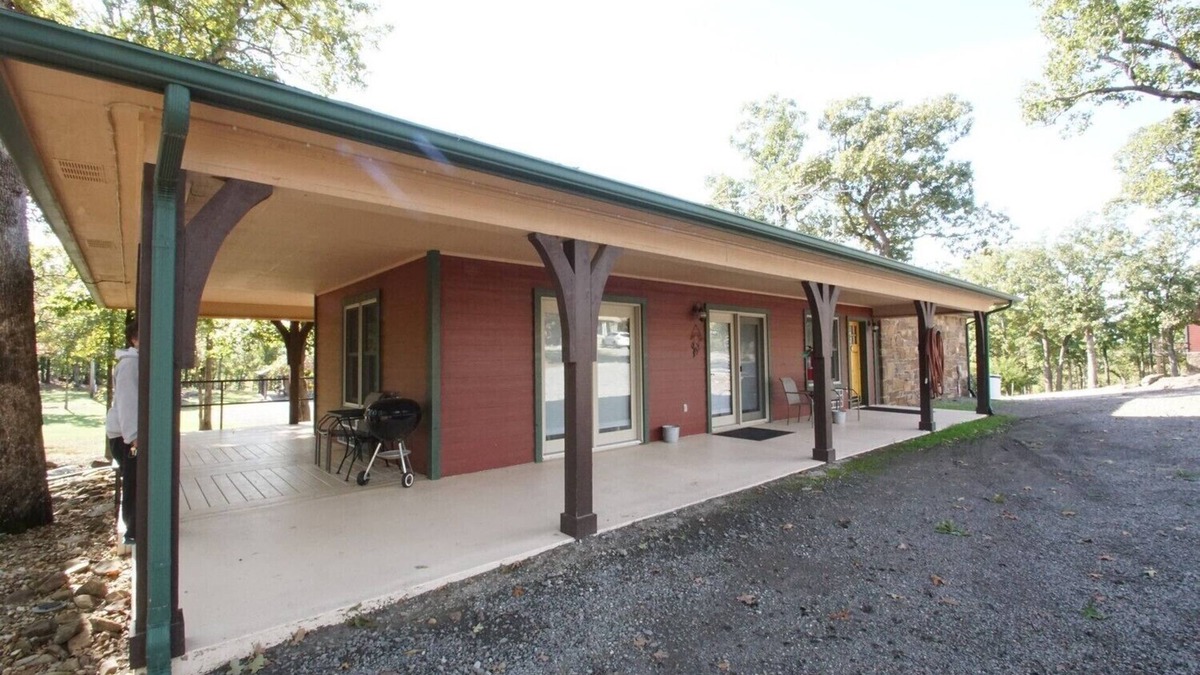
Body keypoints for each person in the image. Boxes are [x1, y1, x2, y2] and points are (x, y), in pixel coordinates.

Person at [106, 319, 139, 547]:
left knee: (138, 480)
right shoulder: (130, 365)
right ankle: (134, 530)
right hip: (127, 436)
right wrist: (134, 437)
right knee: (135, 481)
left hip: (128, 434)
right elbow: (128, 403)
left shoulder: (136, 363)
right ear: (134, 339)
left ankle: (138, 526)